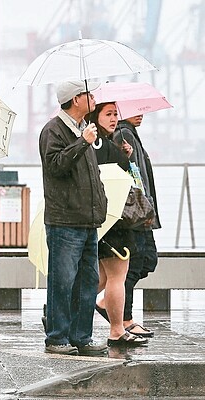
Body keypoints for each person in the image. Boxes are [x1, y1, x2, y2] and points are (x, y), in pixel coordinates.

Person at [39, 80, 108, 356]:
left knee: (87, 282)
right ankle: (57, 337)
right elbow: (56, 166)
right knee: (63, 281)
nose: (93, 98)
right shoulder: (53, 130)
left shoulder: (84, 130)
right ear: (75, 99)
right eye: (88, 94)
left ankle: (82, 336)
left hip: (88, 220)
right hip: (64, 221)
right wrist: (82, 143)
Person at [88, 102, 148, 347]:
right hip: (114, 219)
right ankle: (116, 329)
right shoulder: (101, 145)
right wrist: (124, 157)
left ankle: (60, 311)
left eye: (115, 114)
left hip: (104, 218)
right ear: (96, 115)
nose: (114, 119)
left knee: (100, 277)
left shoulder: (103, 143)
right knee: (117, 276)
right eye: (108, 114)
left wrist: (124, 154)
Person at [114, 114, 160, 338]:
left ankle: (107, 302)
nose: (141, 113)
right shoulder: (123, 133)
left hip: (143, 211)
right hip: (135, 213)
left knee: (147, 260)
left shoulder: (131, 133)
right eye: (111, 113)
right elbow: (131, 175)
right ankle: (125, 319)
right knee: (132, 268)